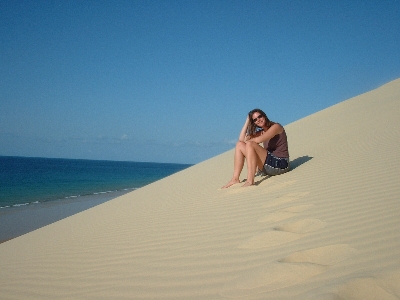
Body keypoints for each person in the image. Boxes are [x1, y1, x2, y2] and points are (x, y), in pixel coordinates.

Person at [222, 108, 290, 188]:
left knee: (251, 144)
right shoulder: (261, 132)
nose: (258, 120)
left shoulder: (276, 127)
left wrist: (248, 141)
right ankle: (235, 178)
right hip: (269, 165)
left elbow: (258, 140)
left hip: (281, 164)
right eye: (255, 120)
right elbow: (241, 139)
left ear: (264, 116)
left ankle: (250, 180)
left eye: (260, 116)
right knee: (239, 145)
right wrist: (247, 121)